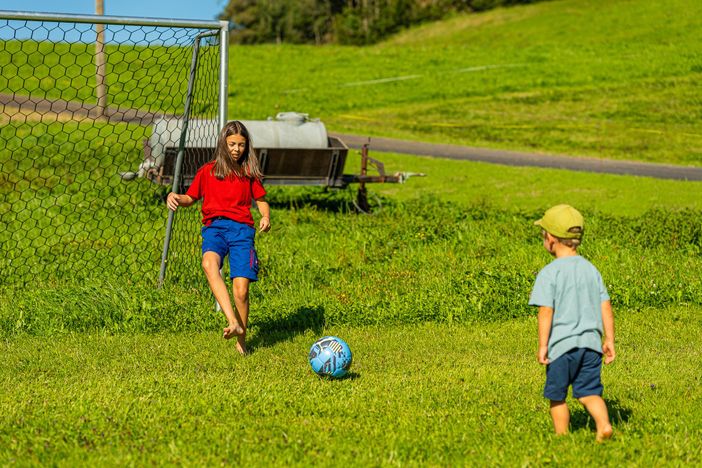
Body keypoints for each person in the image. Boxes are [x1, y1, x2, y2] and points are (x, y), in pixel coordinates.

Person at [166, 121, 271, 355]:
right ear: (223, 144)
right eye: (232, 144)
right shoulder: (208, 171)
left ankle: (241, 341)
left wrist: (265, 216)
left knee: (242, 291)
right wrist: (175, 197)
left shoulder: (248, 173)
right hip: (215, 228)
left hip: (242, 231)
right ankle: (232, 321)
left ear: (247, 146)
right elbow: (191, 198)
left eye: (241, 145)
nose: (236, 149)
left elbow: (262, 199)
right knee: (208, 264)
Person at [528, 204, 615, 442]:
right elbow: (605, 304)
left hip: (561, 348)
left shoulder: (550, 272)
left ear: (552, 239)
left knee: (557, 396)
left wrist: (543, 345)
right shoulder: (591, 270)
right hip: (591, 347)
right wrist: (609, 340)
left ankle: (562, 437)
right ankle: (604, 424)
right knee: (588, 392)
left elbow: (546, 311)